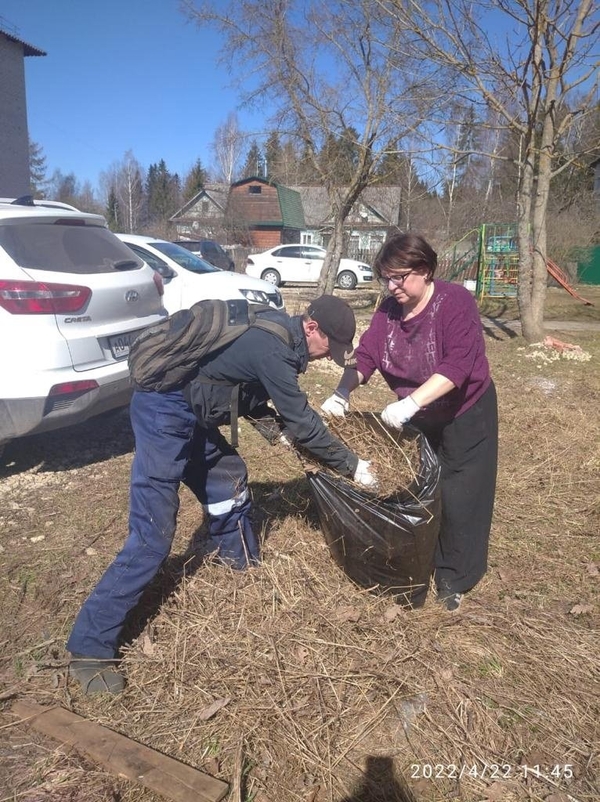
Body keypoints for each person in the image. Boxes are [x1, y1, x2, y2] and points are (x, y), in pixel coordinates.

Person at [67, 295, 377, 694]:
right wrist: (353, 466)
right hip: (164, 410)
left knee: (228, 476)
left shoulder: (277, 337)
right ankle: (90, 648)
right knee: (153, 536)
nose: (325, 357)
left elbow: (234, 381)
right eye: (328, 348)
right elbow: (304, 421)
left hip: (193, 410)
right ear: (312, 328)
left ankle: (240, 564)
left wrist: (270, 426)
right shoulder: (275, 348)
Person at [321, 234, 498, 612]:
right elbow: (367, 355)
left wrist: (410, 403)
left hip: (465, 411)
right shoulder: (388, 311)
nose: (392, 286)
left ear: (425, 270)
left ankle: (455, 576)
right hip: (419, 417)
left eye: (399, 277)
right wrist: (342, 392)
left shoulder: (454, 303)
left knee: (461, 493)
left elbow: (458, 365)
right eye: (386, 277)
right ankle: (425, 558)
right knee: (424, 489)